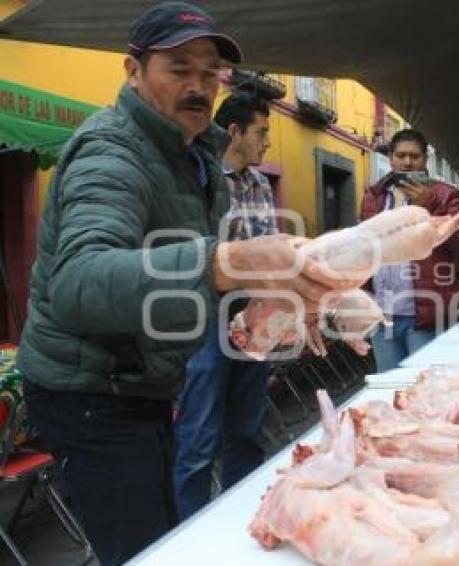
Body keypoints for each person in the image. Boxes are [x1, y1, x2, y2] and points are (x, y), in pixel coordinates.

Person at [17, 4, 349, 564]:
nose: (199, 86)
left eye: (210, 71)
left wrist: (273, 299)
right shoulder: (111, 153)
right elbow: (79, 280)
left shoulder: (194, 156)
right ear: (132, 71)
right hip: (90, 392)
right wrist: (229, 262)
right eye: (178, 68)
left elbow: (199, 275)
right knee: (144, 546)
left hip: (144, 380)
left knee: (169, 529)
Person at [173, 94, 275, 521]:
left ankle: (240, 523)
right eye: (262, 132)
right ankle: (188, 537)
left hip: (252, 312)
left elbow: (270, 251)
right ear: (234, 132)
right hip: (207, 316)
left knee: (247, 429)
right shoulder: (198, 177)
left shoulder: (262, 184)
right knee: (198, 435)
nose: (267, 142)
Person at [360, 129, 459, 372]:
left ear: (425, 160)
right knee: (389, 386)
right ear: (390, 158)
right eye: (401, 155)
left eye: (414, 156)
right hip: (382, 314)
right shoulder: (373, 196)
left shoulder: (446, 195)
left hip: (423, 315)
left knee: (425, 386)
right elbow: (364, 246)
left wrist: (430, 202)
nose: (407, 162)